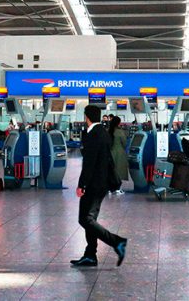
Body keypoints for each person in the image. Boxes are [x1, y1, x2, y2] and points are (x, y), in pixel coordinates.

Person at [71, 105, 128, 267]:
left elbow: (89, 163)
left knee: (85, 219)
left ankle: (117, 242)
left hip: (94, 184)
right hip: (101, 182)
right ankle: (90, 255)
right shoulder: (102, 133)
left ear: (86, 117)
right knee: (91, 219)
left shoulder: (94, 134)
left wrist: (82, 184)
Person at [108, 116, 128, 195]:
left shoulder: (108, 131)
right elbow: (125, 143)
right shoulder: (120, 132)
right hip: (119, 154)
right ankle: (118, 189)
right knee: (119, 172)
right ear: (119, 123)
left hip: (110, 153)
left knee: (110, 171)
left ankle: (110, 189)